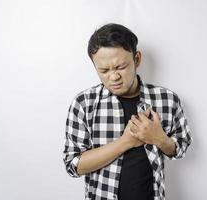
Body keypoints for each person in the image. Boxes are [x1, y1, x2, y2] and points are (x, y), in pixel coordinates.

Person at [63, 23, 193, 200]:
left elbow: (180, 148)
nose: (113, 77)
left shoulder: (168, 100)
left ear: (137, 59)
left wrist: (160, 138)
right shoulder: (84, 104)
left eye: (120, 67)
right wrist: (126, 142)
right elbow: (73, 165)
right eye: (104, 70)